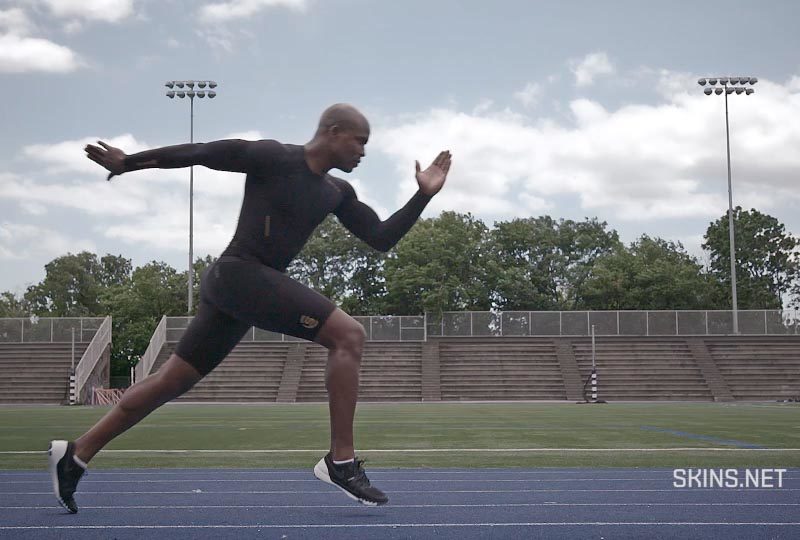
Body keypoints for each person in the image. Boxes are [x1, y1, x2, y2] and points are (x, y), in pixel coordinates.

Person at [48, 103, 451, 513]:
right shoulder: (274, 157)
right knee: (348, 335)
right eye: (359, 141)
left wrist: (422, 195)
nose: (363, 152)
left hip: (241, 290)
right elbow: (202, 152)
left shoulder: (337, 193)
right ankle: (341, 461)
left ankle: (76, 455)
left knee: (171, 382)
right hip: (239, 273)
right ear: (333, 132)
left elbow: (381, 238)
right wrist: (129, 162)